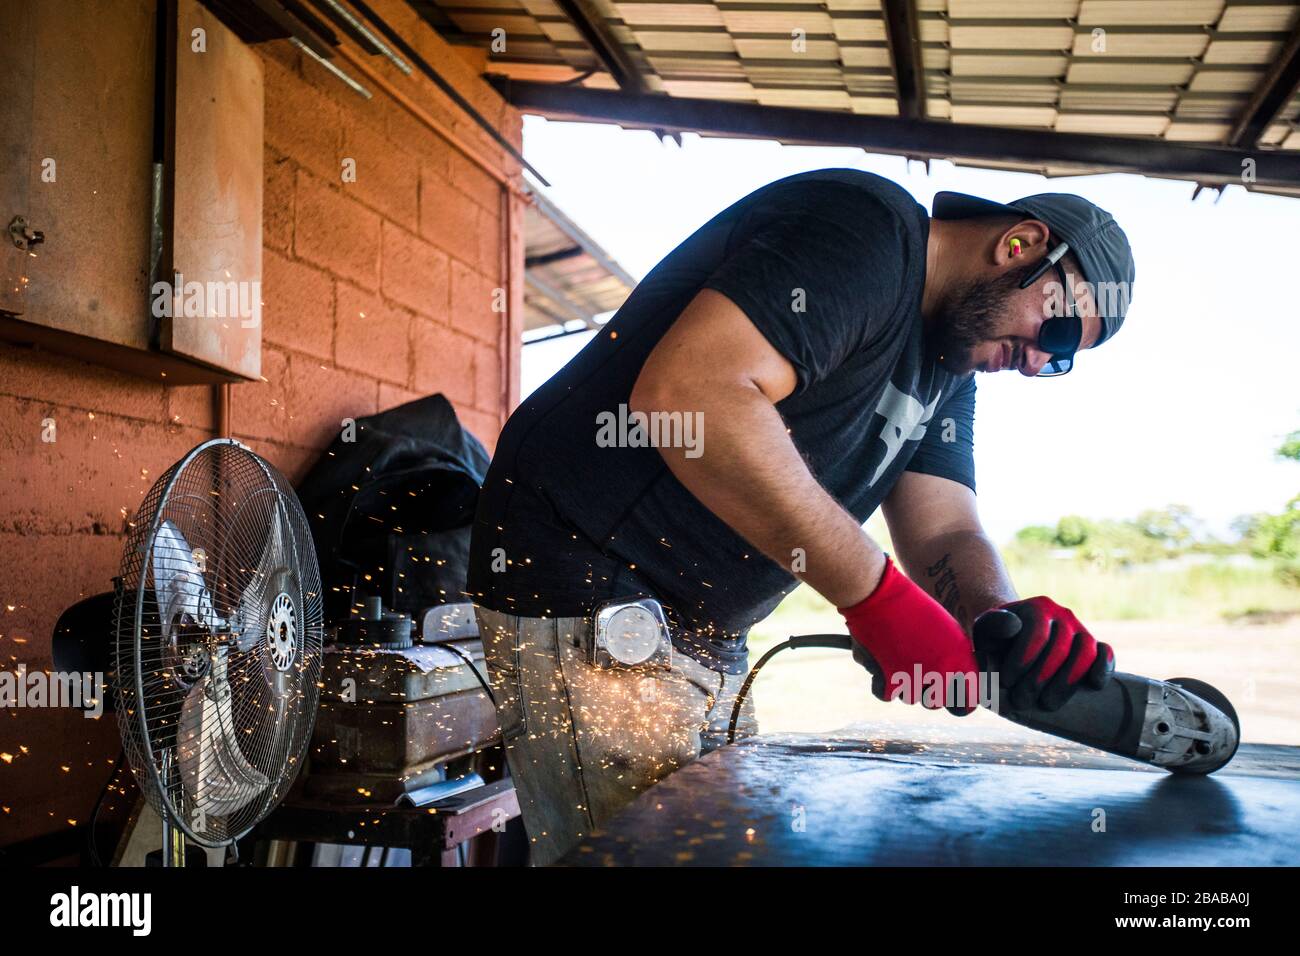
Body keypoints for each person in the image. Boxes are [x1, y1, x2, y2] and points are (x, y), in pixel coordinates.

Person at [467, 168, 1134, 864]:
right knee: (646, 858)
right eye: (1054, 329)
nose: (1039, 362)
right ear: (1021, 244)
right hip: (591, 579)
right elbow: (689, 395)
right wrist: (876, 598)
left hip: (707, 626)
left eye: (1060, 362)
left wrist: (997, 619)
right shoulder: (865, 231)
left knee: (718, 852)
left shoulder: (947, 365)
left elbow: (945, 528)